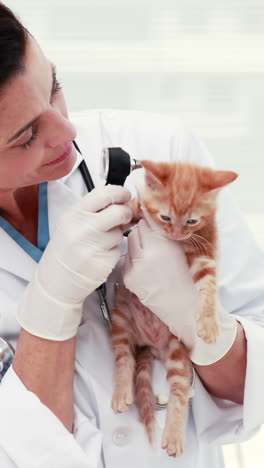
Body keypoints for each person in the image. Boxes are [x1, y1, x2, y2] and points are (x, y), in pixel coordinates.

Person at [0, 3, 263, 467]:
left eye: (54, 87)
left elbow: (254, 387)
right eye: (25, 136)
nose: (67, 131)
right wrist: (50, 308)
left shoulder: (162, 152)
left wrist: (205, 326)